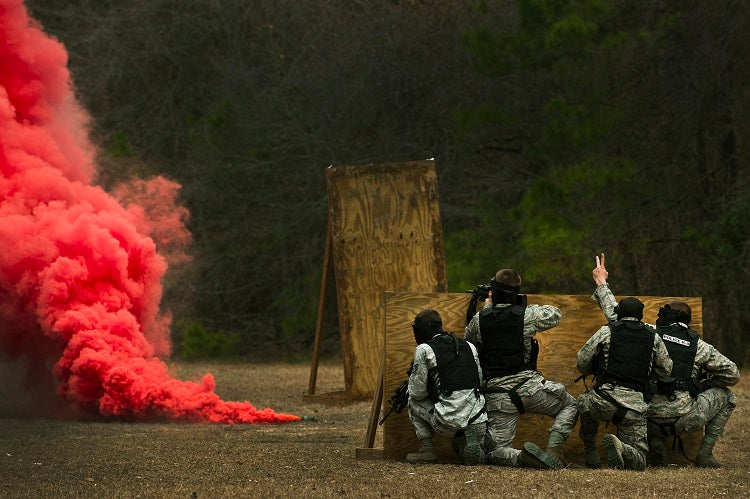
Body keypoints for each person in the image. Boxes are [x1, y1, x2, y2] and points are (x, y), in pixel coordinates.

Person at [592, 255, 740, 468]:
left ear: (665, 317)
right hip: (686, 420)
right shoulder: (701, 347)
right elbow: (733, 374)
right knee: (728, 397)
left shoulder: (649, 334)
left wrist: (602, 282)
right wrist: (699, 385)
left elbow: (617, 317)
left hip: (646, 417)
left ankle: (656, 441)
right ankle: (705, 454)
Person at [465, 269, 577, 469]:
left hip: (498, 396)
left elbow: (469, 340)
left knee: (494, 450)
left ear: (493, 292)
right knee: (571, 405)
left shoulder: (478, 320)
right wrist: (522, 306)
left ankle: (520, 458)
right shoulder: (527, 315)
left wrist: (487, 309)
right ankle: (554, 449)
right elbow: (555, 315)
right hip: (531, 389)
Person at [576, 254, 672, 470]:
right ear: (641, 316)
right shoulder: (653, 335)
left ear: (619, 315)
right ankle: (624, 448)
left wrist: (601, 282)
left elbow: (581, 360)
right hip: (634, 407)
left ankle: (590, 449)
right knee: (638, 462)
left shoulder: (607, 331)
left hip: (603, 400)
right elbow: (666, 370)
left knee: (582, 404)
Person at [406, 309, 488, 465]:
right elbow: (479, 380)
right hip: (478, 419)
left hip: (448, 423)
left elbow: (417, 393)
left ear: (426, 328)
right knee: (462, 451)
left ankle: (427, 450)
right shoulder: (469, 346)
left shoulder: (424, 350)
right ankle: (467, 443)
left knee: (411, 398)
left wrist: (433, 390)